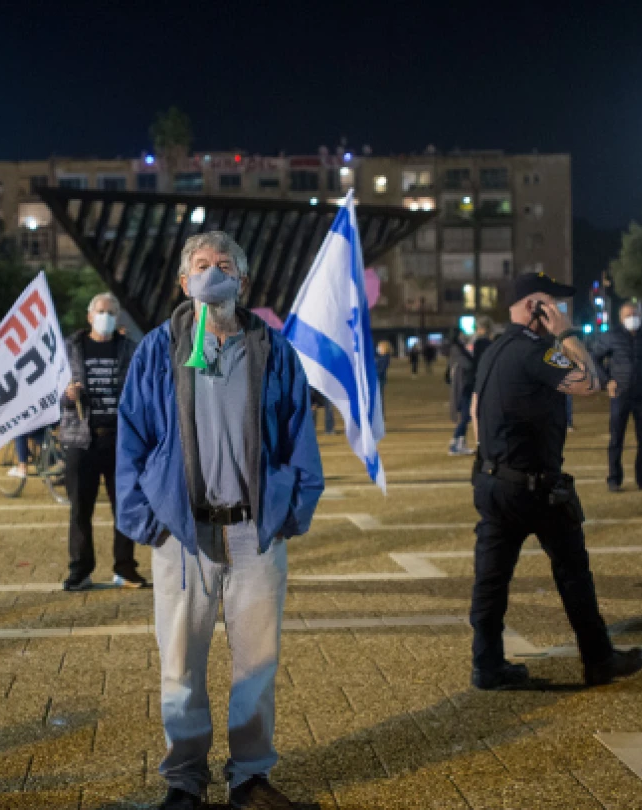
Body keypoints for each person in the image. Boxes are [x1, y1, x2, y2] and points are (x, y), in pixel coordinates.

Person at [116, 231, 324, 810]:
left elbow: (299, 436)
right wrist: (148, 522)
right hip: (184, 534)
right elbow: (132, 437)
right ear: (184, 282)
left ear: (243, 282)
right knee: (180, 666)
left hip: (255, 532)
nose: (213, 273)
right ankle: (184, 781)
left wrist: (293, 510)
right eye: (202, 264)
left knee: (256, 664)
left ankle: (249, 778)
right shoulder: (158, 349)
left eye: (225, 265)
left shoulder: (273, 350)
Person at [468, 272, 642, 690]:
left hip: (493, 480)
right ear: (537, 308)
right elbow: (590, 382)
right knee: (573, 571)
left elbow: (475, 408)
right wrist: (567, 334)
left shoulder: (494, 350)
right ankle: (599, 659)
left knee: (491, 579)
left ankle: (487, 666)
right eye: (556, 304)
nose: (563, 311)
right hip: (534, 487)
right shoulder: (536, 352)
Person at [57, 292, 146, 592]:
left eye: (111, 311)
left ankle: (125, 568)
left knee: (124, 507)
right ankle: (80, 570)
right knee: (80, 509)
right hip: (81, 440)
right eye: (100, 311)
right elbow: (50, 392)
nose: (105, 316)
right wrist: (66, 397)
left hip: (120, 440)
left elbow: (141, 389)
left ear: (117, 317)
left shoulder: (130, 349)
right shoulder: (69, 349)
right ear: (89, 316)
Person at [594, 302, 642, 492]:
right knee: (616, 439)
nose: (632, 318)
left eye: (634, 314)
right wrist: (607, 381)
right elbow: (594, 359)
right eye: (628, 315)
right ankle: (614, 479)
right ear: (621, 318)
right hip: (620, 395)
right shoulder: (611, 337)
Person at [448, 334, 476, 455]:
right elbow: (467, 365)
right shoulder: (457, 351)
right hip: (462, 389)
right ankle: (455, 443)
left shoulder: (459, 350)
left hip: (465, 388)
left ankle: (460, 442)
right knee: (464, 417)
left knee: (465, 417)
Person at [375, 340, 392, 407]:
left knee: (378, 397)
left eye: (379, 347)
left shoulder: (385, 358)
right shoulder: (381, 357)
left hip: (379, 379)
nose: (378, 348)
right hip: (379, 379)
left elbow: (381, 370)